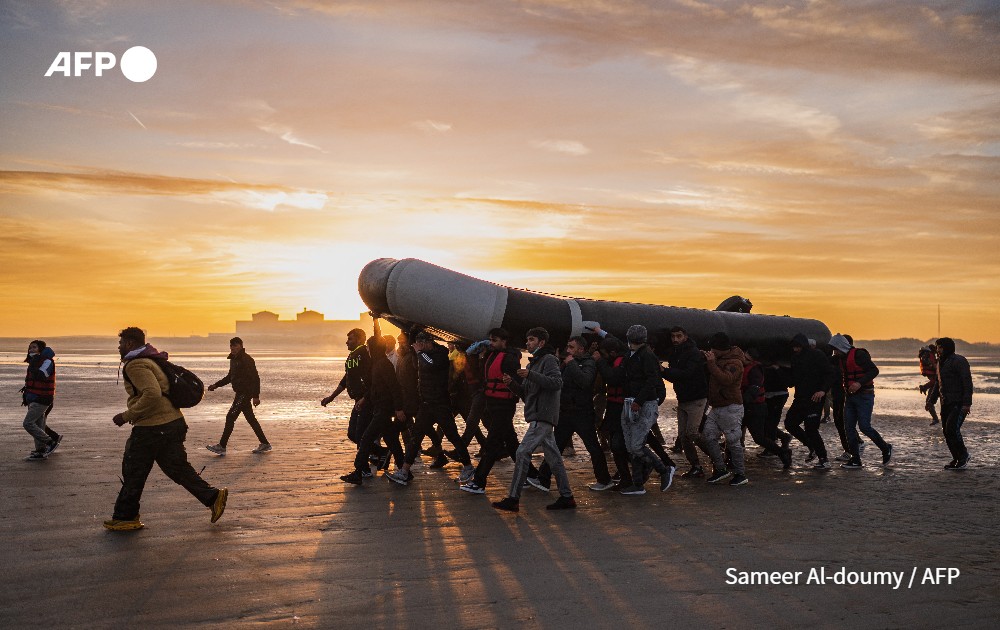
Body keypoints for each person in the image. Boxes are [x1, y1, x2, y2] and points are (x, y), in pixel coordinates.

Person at [104, 327, 227, 531]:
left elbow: (152, 394)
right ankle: (213, 497)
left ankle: (126, 517)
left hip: (152, 428)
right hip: (172, 423)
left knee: (134, 470)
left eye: (121, 343)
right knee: (177, 468)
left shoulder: (136, 365)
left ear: (130, 344)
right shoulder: (151, 360)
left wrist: (126, 416)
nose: (118, 347)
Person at [492, 327, 576, 512]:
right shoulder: (532, 365)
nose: (527, 343)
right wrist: (512, 384)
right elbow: (526, 393)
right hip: (537, 415)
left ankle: (513, 498)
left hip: (543, 416)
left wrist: (530, 375)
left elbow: (557, 383)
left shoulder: (549, 360)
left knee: (522, 452)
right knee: (554, 458)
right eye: (527, 340)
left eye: (531, 340)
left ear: (541, 342)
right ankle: (567, 497)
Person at [460, 328, 541, 494]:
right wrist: (474, 355)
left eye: (494, 340)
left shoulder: (510, 359)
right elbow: (480, 374)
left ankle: (479, 482)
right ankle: (531, 474)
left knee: (492, 444)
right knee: (511, 443)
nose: (491, 343)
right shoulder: (491, 355)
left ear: (504, 341)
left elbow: (518, 382)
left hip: (504, 406)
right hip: (493, 404)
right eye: (490, 340)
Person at [387, 332, 475, 486]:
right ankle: (404, 471)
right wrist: (416, 349)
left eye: (420, 344)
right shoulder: (423, 355)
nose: (418, 347)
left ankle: (468, 467)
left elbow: (430, 364)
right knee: (416, 437)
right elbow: (418, 365)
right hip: (426, 404)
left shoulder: (440, 354)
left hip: (440, 403)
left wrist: (419, 353)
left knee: (453, 435)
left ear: (428, 342)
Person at [531, 336, 613, 492]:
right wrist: (558, 363)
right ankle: (543, 479)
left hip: (582, 413)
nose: (568, 350)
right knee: (555, 446)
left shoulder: (588, 363)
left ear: (581, 349)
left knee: (593, 447)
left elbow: (585, 381)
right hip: (566, 413)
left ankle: (604, 480)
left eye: (571, 347)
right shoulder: (567, 362)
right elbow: (557, 381)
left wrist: (571, 363)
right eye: (567, 347)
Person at [340, 327, 407, 484]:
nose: (368, 350)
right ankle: (405, 471)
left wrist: (398, 409)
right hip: (379, 408)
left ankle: (359, 472)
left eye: (369, 348)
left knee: (365, 438)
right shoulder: (377, 364)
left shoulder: (383, 365)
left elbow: (395, 387)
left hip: (384, 409)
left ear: (374, 349)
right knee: (391, 440)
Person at [616, 324, 675, 495]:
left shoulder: (647, 356)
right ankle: (638, 483)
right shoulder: (631, 354)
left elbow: (652, 381)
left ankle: (664, 469)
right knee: (631, 446)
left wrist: (639, 401)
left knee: (636, 446)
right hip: (630, 402)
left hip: (643, 403)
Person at [828, 334, 892, 469]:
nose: (835, 352)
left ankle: (885, 448)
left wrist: (859, 383)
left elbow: (874, 370)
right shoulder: (838, 358)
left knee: (864, 427)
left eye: (836, 349)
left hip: (865, 396)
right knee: (848, 428)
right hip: (849, 397)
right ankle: (855, 459)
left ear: (841, 346)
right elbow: (822, 361)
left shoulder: (859, 355)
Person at [205, 337, 270, 455]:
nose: (232, 348)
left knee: (230, 417)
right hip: (240, 393)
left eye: (235, 345)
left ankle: (222, 446)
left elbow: (255, 378)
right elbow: (230, 377)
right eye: (231, 346)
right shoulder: (233, 359)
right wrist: (216, 385)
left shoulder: (247, 359)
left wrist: (256, 396)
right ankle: (265, 443)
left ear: (241, 346)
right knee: (251, 419)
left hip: (244, 393)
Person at [700, 333, 750, 486]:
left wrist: (711, 363)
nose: (711, 351)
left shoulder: (735, 362)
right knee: (708, 436)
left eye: (713, 349)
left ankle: (740, 474)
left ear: (720, 349)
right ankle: (721, 469)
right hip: (717, 407)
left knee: (733, 441)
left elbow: (726, 379)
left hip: (731, 407)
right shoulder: (719, 359)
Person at [660, 326, 709, 478]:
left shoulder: (693, 353)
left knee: (692, 432)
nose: (675, 339)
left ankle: (717, 456)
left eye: (678, 336)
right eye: (673, 336)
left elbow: (687, 374)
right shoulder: (674, 353)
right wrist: (665, 372)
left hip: (697, 398)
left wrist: (664, 371)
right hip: (683, 399)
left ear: (685, 336)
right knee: (683, 436)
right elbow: (676, 376)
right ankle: (696, 466)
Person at [785, 333, 836, 469]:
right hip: (800, 398)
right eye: (794, 347)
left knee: (811, 429)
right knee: (790, 424)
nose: (795, 349)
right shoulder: (795, 358)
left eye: (798, 347)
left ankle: (824, 459)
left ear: (804, 345)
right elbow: (792, 380)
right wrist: (779, 370)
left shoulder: (817, 355)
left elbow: (830, 373)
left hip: (815, 399)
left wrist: (823, 390)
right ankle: (811, 446)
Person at [321, 327, 373, 450]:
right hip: (358, 400)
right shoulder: (352, 356)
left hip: (366, 400)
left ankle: (372, 458)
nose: (347, 342)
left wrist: (365, 398)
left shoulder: (364, 354)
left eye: (350, 339)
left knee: (360, 435)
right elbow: (346, 379)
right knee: (352, 434)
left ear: (359, 340)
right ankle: (380, 452)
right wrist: (331, 397)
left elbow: (372, 380)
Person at [741, 347, 791, 468]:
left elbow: (754, 388)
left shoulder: (755, 370)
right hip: (744, 406)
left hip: (754, 408)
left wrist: (742, 400)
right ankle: (730, 459)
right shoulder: (742, 366)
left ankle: (783, 452)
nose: (744, 359)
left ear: (752, 359)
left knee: (759, 437)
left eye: (747, 358)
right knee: (734, 433)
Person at [932, 337, 972, 469]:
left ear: (947, 348)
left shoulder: (959, 361)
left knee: (952, 429)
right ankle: (956, 458)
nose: (938, 350)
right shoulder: (940, 362)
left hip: (958, 403)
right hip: (945, 403)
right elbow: (938, 383)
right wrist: (931, 400)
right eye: (937, 347)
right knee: (946, 431)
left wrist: (967, 404)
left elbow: (967, 383)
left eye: (940, 347)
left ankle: (963, 455)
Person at [21, 340, 62, 460]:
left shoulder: (47, 361)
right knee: (39, 425)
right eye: (30, 348)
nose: (31, 349)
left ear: (40, 349)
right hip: (33, 397)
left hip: (42, 398)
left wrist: (34, 364)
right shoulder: (34, 361)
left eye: (34, 347)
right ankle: (41, 450)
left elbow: (42, 375)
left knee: (28, 423)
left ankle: (50, 442)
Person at [918, 344, 940, 425]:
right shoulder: (927, 354)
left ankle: (936, 419)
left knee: (929, 402)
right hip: (935, 379)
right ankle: (935, 419)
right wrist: (933, 365)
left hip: (935, 381)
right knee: (929, 402)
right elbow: (927, 361)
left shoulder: (927, 354)